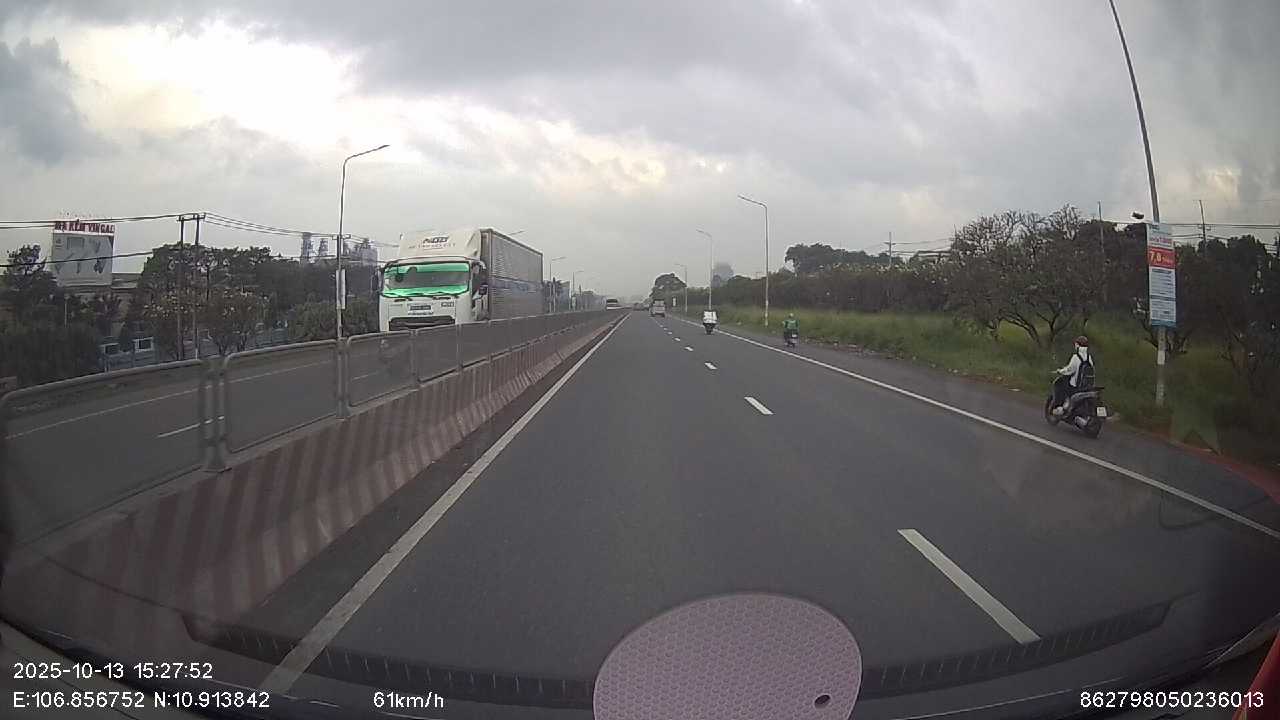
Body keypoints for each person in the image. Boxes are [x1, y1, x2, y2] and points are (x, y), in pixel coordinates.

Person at [1052, 335, 1093, 416]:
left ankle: (1060, 407)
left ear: (1077, 345)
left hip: (1076, 385)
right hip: (1086, 385)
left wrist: (1060, 371)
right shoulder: (1089, 357)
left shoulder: (1076, 357)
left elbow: (1069, 370)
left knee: (1059, 386)